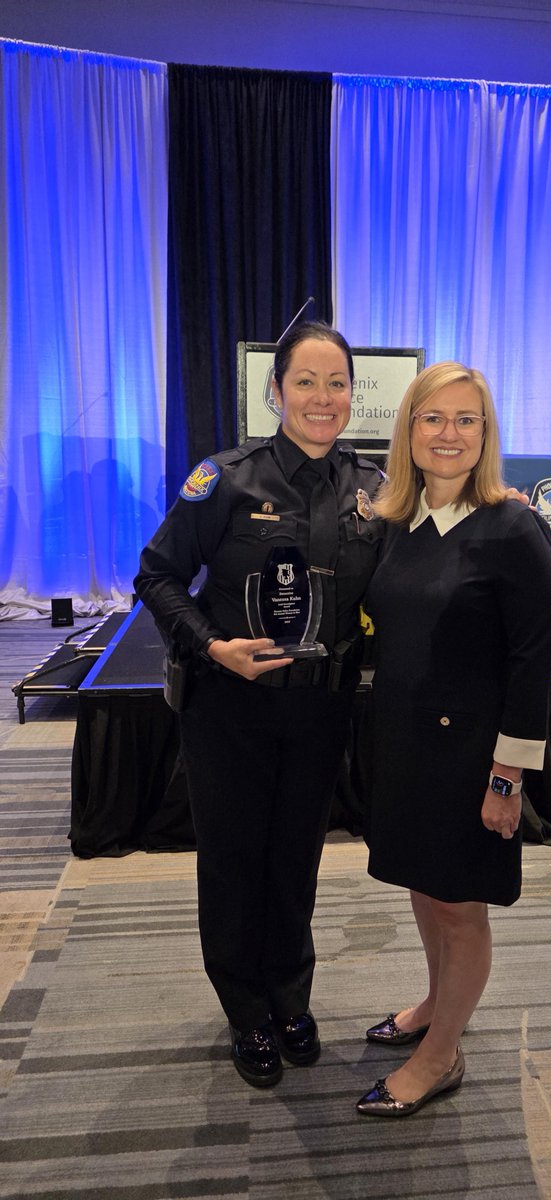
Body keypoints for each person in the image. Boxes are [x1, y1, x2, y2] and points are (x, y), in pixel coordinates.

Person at [134, 321, 384, 1088]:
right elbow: (158, 575)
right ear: (274, 392)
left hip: (321, 708)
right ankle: (245, 1008)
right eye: (304, 382)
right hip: (230, 709)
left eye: (336, 382)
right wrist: (212, 646)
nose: (322, 397)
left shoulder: (375, 489)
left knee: (296, 857)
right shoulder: (226, 479)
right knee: (236, 857)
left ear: (353, 394)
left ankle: (290, 993)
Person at [355, 361, 551, 1118]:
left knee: (459, 904)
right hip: (404, 741)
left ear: (486, 434)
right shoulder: (393, 521)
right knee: (422, 884)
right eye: (433, 418)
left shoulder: (513, 526)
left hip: (474, 753)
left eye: (466, 420)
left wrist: (508, 776)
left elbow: (534, 659)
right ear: (407, 429)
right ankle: (436, 1005)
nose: (449, 434)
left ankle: (441, 1054)